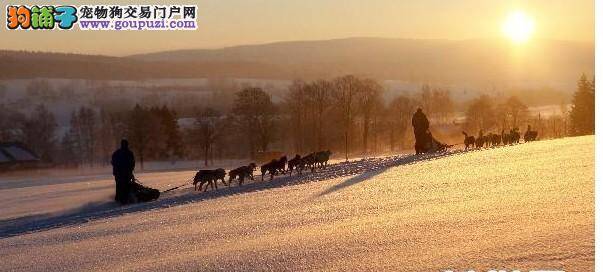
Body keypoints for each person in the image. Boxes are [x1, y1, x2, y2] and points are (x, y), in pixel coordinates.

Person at [111, 139, 135, 204]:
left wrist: (116, 170)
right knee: (126, 185)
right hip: (125, 173)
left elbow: (113, 162)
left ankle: (118, 198)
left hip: (118, 173)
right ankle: (124, 199)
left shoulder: (116, 153)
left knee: (119, 185)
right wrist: (130, 171)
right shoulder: (129, 153)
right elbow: (132, 163)